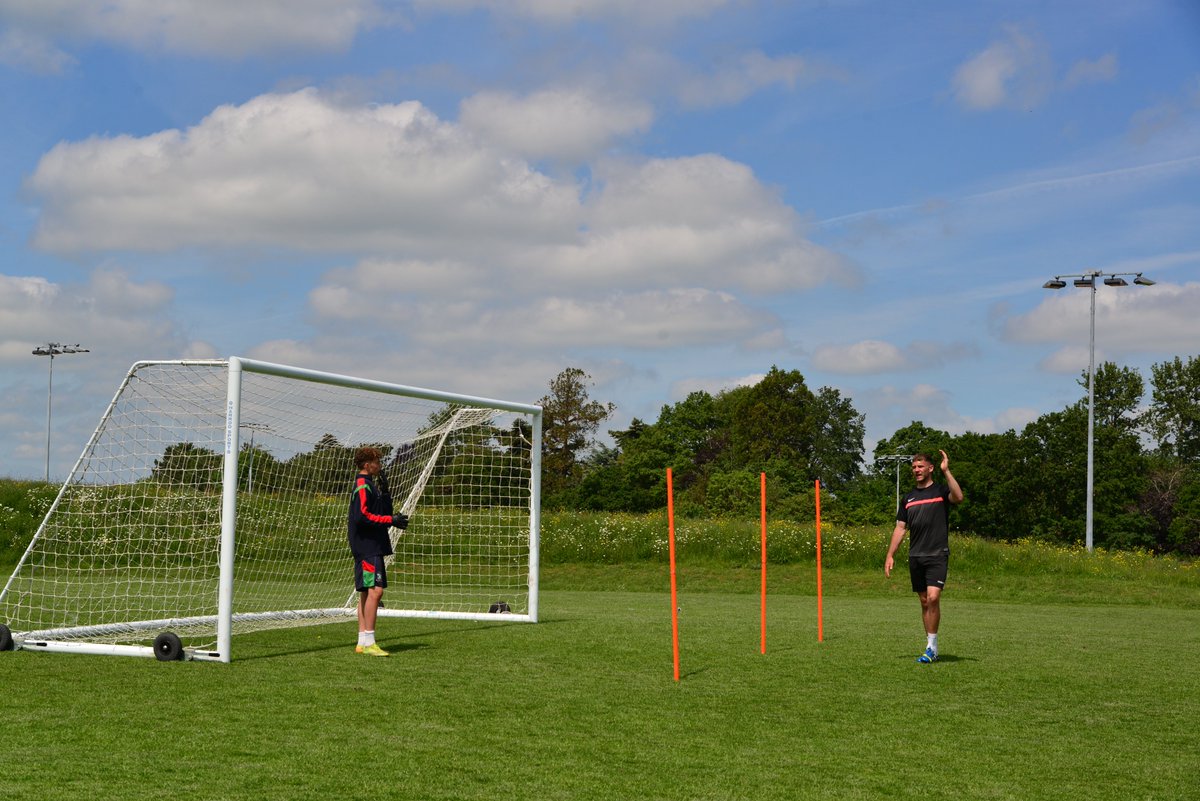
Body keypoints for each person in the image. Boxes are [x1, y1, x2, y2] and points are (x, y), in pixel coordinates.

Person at [884, 449, 963, 663]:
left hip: (937, 554)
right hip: (915, 556)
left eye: (920, 467)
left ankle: (932, 647)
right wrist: (890, 555)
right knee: (924, 601)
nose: (916, 470)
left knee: (934, 597)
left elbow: (958, 497)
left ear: (930, 468)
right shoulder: (908, 498)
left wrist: (947, 471)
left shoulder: (940, 491)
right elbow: (900, 528)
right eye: (913, 468)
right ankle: (931, 646)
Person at [348, 446, 408, 657]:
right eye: (377, 462)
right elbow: (362, 516)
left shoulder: (370, 485)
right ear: (367, 464)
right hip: (367, 546)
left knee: (366, 591)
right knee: (376, 590)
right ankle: (370, 642)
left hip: (371, 545)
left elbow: (382, 513)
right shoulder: (362, 486)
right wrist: (390, 520)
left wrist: (386, 493)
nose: (380, 466)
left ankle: (362, 641)